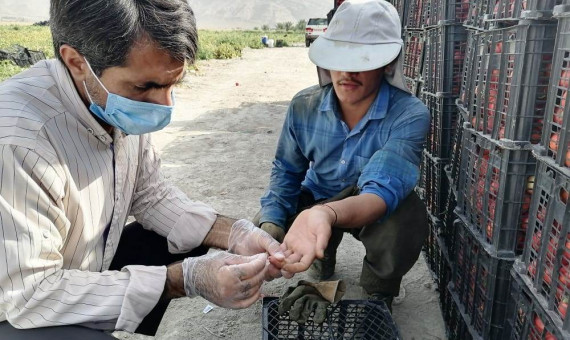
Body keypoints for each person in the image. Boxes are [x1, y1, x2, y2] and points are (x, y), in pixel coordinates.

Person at [0, 0, 285, 338]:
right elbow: (31, 293)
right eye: (145, 87)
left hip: (73, 268)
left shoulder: (106, 103)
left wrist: (235, 234)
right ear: (77, 62)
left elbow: (150, 194)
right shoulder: (20, 139)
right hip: (18, 306)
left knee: (180, 239)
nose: (164, 104)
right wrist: (182, 280)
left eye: (171, 85)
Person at [255, 0, 430, 311]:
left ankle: (379, 289)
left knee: (406, 214)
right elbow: (287, 170)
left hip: (368, 206)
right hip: (317, 194)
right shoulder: (303, 106)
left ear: (388, 64)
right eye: (340, 58)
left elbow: (380, 192)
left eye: (363, 60)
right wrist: (272, 223)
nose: (348, 72)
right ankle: (320, 260)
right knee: (263, 223)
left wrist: (326, 214)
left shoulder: (409, 114)